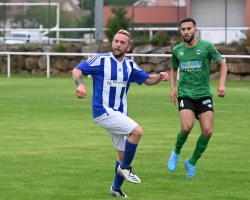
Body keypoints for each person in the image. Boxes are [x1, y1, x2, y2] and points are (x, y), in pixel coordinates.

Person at [72, 29, 169, 198]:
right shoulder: (101, 59)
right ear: (112, 42)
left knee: (122, 154)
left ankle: (115, 189)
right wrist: (80, 84)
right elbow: (77, 70)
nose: (118, 45)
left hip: (119, 113)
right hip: (103, 111)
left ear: (128, 47)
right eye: (116, 41)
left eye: (122, 42)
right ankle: (125, 168)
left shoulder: (130, 65)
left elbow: (147, 79)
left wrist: (160, 77)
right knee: (137, 131)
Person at [167, 18, 227, 179]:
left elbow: (223, 64)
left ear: (195, 30)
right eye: (183, 29)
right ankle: (176, 152)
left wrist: (221, 85)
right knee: (187, 127)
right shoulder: (177, 50)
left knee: (207, 131)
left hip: (204, 94)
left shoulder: (207, 47)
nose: (186, 32)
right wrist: (173, 88)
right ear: (180, 31)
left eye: (188, 29)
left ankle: (191, 162)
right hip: (185, 93)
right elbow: (173, 69)